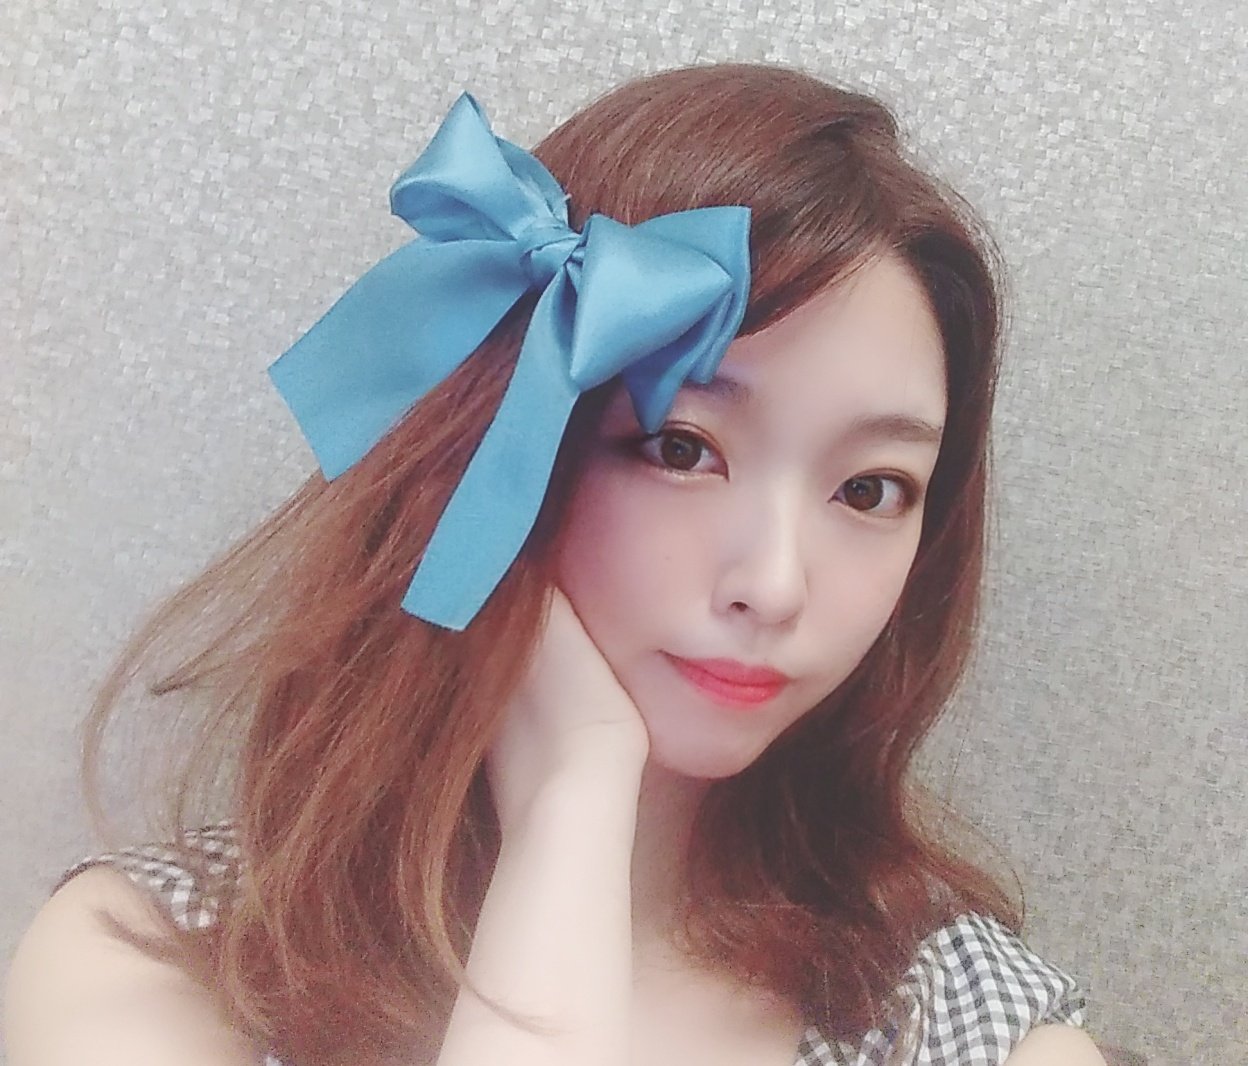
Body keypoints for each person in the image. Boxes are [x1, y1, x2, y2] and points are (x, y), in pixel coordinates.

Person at [4, 63, 1107, 1066]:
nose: (775, 585)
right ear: (498, 446)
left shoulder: (964, 1030)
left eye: (868, 490)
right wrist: (571, 801)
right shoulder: (158, 971)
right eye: (681, 448)